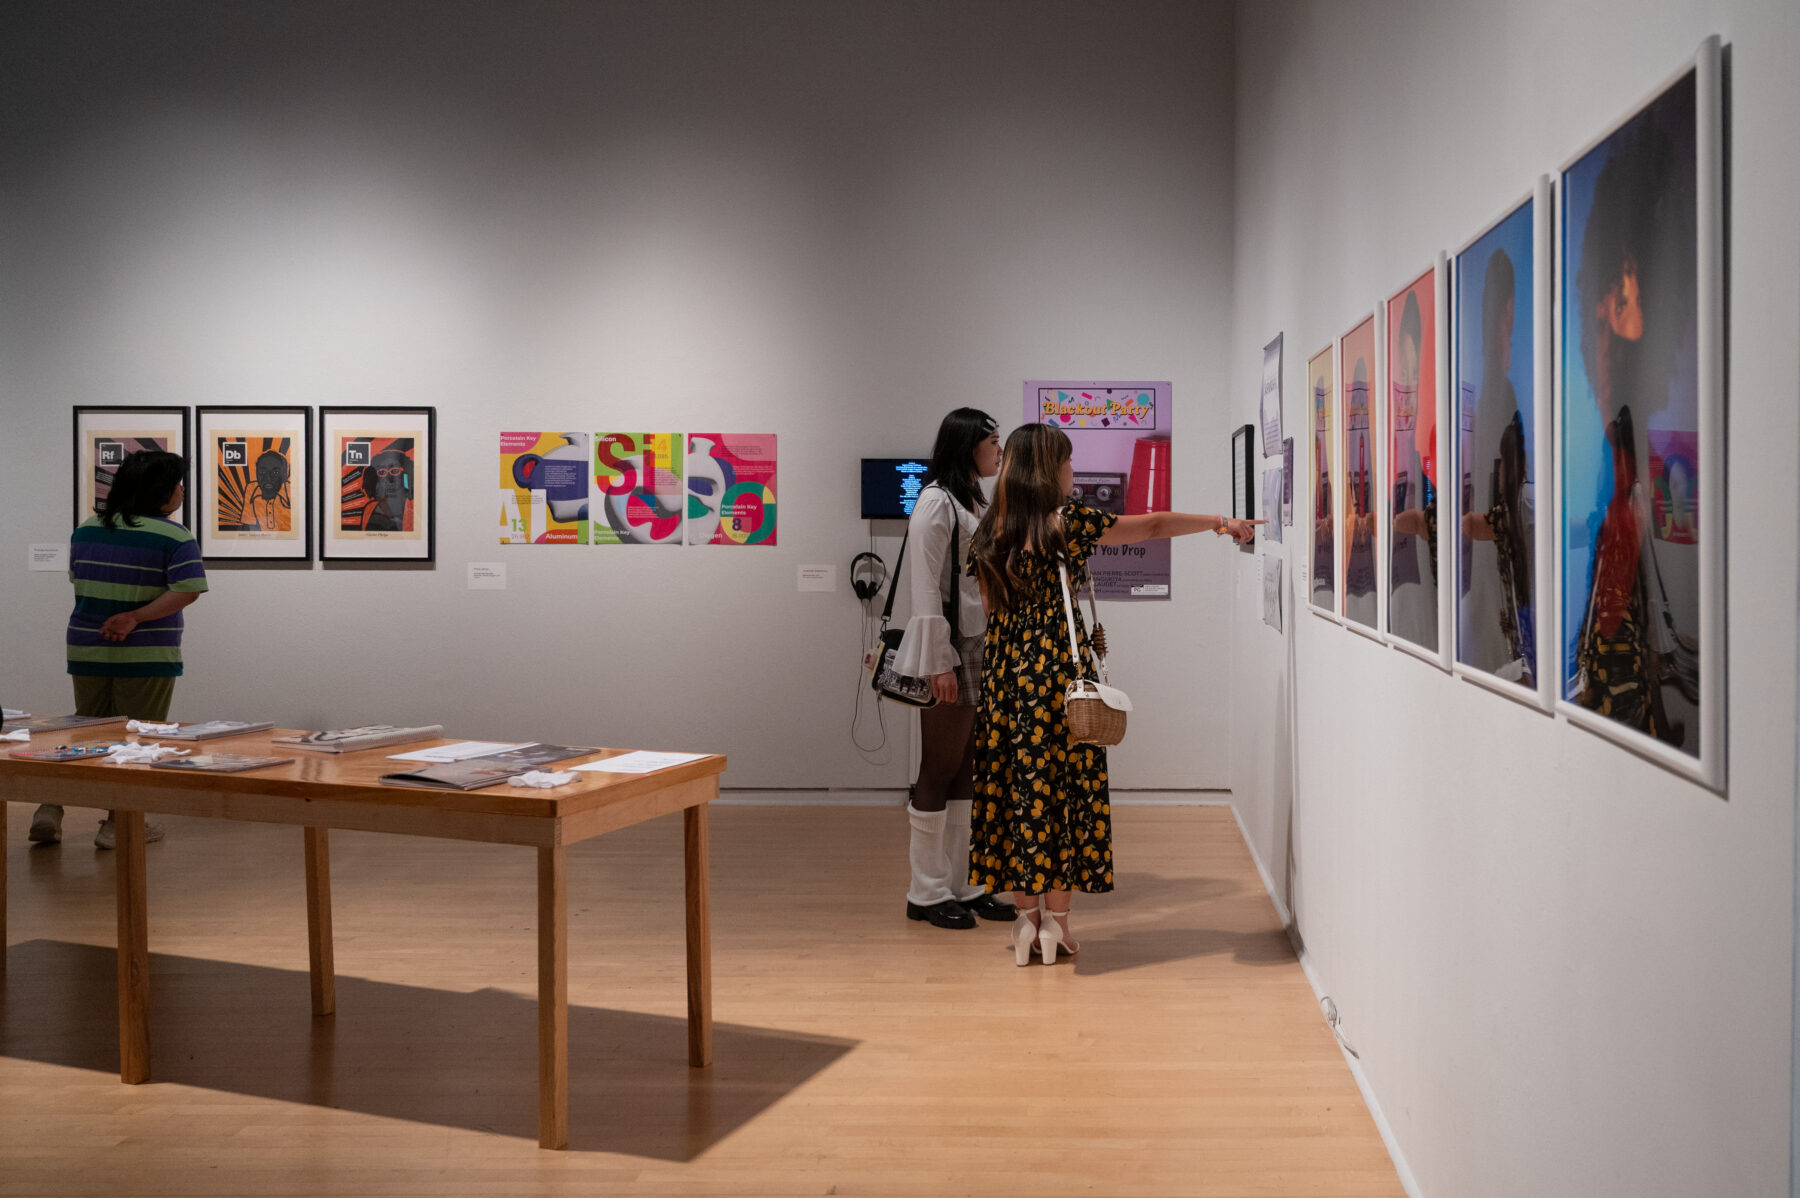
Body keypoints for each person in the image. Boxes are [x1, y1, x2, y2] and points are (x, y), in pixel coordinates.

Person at [967, 424, 1256, 966]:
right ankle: (1060, 926)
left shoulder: (990, 531)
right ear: (1049, 467)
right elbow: (1150, 526)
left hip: (1005, 682)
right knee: (1065, 796)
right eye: (1068, 463)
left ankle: (1026, 925)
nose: (1073, 472)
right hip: (1060, 679)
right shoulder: (1067, 523)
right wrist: (1219, 522)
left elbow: (989, 613)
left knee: (1019, 796)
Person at [29, 450, 208, 849]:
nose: (181, 492)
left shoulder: (88, 529)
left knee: (85, 730)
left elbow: (79, 578)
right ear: (161, 491)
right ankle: (120, 824)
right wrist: (135, 617)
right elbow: (188, 590)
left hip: (87, 647)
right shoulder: (174, 536)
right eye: (178, 484)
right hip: (145, 651)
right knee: (136, 739)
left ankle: (49, 808)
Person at [891, 409, 1013, 929]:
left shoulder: (972, 502)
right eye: (992, 442)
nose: (998, 451)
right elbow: (924, 588)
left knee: (967, 767)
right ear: (968, 448)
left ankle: (963, 885)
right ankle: (925, 891)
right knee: (938, 768)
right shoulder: (935, 501)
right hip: (951, 647)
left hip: (978, 642)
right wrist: (939, 660)